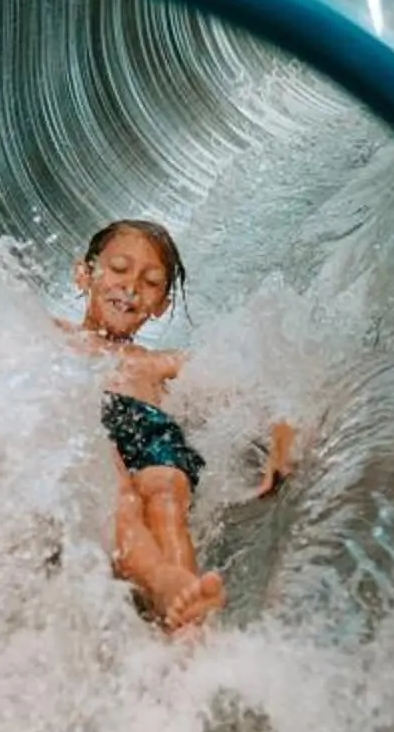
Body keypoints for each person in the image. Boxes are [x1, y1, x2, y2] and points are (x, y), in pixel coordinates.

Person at [61, 219, 296, 634]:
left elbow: (249, 389)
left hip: (149, 426)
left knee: (167, 494)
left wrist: (281, 437)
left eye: (150, 282)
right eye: (119, 269)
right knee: (120, 496)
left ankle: (188, 617)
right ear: (84, 274)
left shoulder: (157, 362)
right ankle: (163, 582)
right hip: (84, 420)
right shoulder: (53, 335)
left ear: (162, 305)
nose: (131, 287)